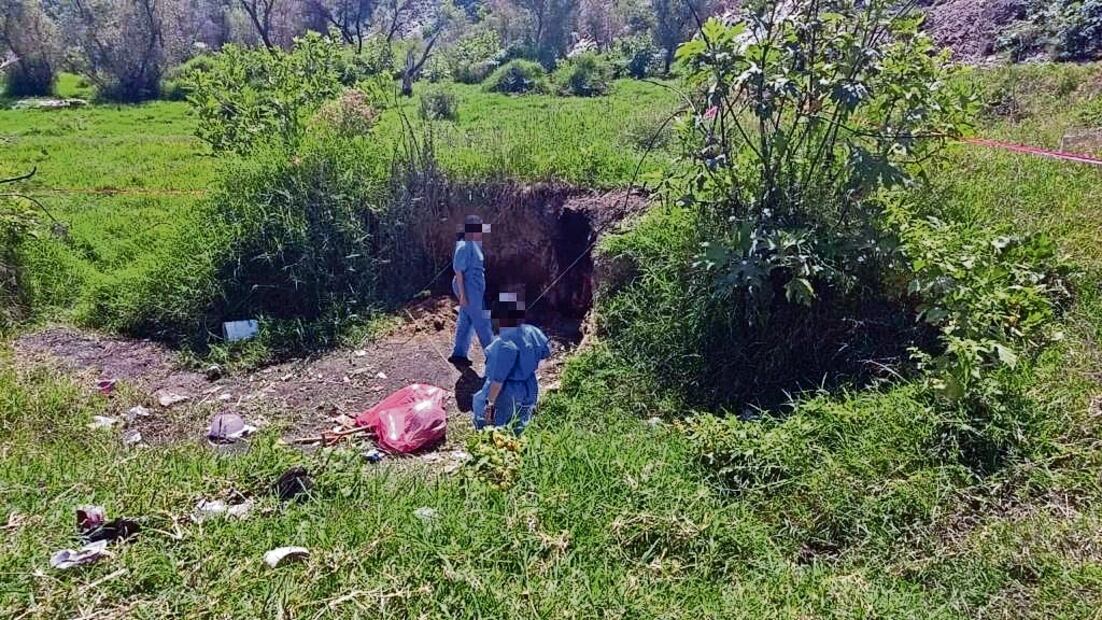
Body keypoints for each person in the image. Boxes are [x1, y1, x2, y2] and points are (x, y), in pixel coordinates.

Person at [472, 292, 551, 435]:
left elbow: (497, 382)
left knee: (495, 426)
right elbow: (545, 353)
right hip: (530, 386)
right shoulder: (533, 331)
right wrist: (526, 366)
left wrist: (489, 405)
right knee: (521, 423)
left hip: (508, 392)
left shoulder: (503, 344)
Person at [449, 214, 493, 366]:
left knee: (466, 320)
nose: (482, 230)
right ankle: (493, 357)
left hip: (473, 288)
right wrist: (463, 295)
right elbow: (458, 271)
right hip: (468, 289)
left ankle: (459, 355)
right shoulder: (464, 246)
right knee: (482, 322)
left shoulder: (473, 243)